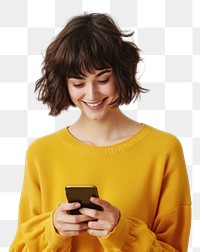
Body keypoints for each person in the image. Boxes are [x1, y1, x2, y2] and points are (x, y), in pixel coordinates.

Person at [10, 13, 191, 251]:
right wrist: (52, 229)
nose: (92, 95)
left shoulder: (163, 150)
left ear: (121, 74)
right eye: (78, 84)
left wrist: (122, 229)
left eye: (103, 79)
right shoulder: (41, 153)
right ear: (64, 83)